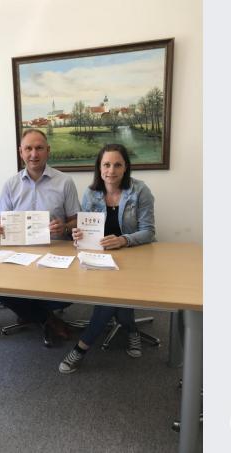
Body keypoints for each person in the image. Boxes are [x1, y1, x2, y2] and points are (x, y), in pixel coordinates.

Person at [59, 143, 156, 373]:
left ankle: (82, 347)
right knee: (115, 299)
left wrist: (123, 240)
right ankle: (130, 329)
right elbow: (87, 228)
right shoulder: (91, 193)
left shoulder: (140, 191)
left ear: (125, 168)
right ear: (99, 167)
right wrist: (78, 235)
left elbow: (149, 231)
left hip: (134, 258)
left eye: (117, 165)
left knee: (109, 299)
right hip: (100, 259)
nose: (111, 170)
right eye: (106, 164)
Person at [0, 129, 80, 346]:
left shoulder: (65, 182)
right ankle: (45, 318)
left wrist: (65, 227)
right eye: (28, 148)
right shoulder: (11, 184)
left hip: (55, 252)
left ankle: (30, 311)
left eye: (39, 148)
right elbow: (1, 221)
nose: (33, 154)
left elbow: (77, 220)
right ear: (21, 152)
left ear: (48, 151)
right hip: (18, 254)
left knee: (66, 294)